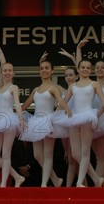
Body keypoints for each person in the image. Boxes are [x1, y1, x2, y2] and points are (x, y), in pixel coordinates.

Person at [57, 59, 104, 187]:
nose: (85, 69)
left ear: (90, 69)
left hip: (88, 117)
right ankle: (96, 178)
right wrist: (60, 111)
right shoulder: (73, 86)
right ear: (78, 70)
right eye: (82, 67)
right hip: (74, 118)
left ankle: (79, 182)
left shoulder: (94, 84)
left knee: (85, 152)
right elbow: (64, 101)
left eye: (88, 67)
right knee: (75, 153)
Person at [21, 56, 72, 187]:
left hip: (49, 121)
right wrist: (15, 113)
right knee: (37, 155)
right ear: (39, 71)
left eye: (47, 68)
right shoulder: (35, 90)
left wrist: (66, 108)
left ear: (52, 71)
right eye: (42, 68)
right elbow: (25, 105)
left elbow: (60, 100)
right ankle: (55, 179)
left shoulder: (53, 88)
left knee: (48, 154)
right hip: (36, 122)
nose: (44, 70)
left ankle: (44, 184)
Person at [0, 61, 26, 187]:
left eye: (10, 70)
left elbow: (17, 103)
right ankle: (17, 176)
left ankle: (3, 183)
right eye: (5, 70)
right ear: (1, 73)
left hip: (10, 120)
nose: (7, 72)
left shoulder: (13, 87)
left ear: (13, 72)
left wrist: (20, 118)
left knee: (5, 153)